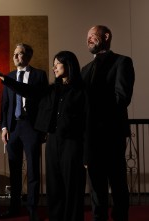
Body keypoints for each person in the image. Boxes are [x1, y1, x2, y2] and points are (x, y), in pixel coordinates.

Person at [0, 50, 87, 221]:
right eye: (53, 64)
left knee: (72, 186)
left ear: (68, 65)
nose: (54, 67)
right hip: (53, 142)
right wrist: (3, 77)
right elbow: (28, 91)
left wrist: (87, 154)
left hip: (72, 143)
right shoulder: (53, 89)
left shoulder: (82, 91)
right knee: (54, 186)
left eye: (58, 63)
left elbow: (87, 122)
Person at [0, 43, 48, 221]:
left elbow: (44, 103)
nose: (15, 57)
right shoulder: (10, 77)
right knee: (14, 171)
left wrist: (42, 129)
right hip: (13, 129)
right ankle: (14, 208)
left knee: (33, 171)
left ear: (28, 56)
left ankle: (32, 209)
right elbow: (5, 105)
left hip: (31, 128)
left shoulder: (39, 75)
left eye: (19, 54)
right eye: (14, 54)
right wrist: (4, 127)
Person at [81, 25, 135, 221]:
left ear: (106, 36)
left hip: (112, 134)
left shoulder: (122, 62)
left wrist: (94, 108)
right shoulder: (85, 70)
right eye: (86, 37)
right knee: (96, 186)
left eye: (92, 36)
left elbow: (122, 97)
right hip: (90, 137)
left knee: (118, 183)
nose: (88, 39)